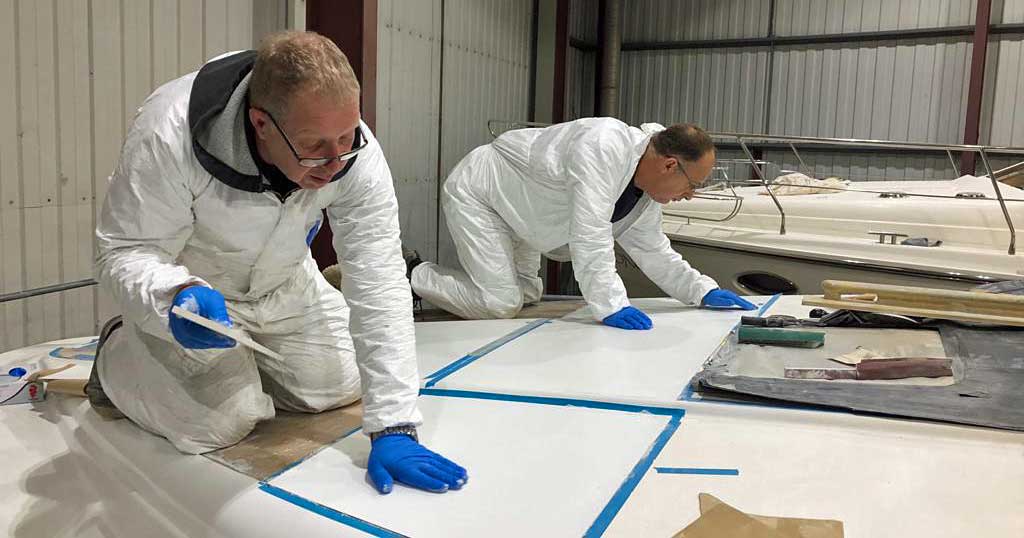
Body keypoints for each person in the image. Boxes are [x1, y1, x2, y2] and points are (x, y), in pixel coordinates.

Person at [87, 31, 467, 495]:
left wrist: (394, 424)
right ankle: (116, 354)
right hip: (195, 296)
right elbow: (125, 248)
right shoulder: (170, 133)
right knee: (221, 422)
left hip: (284, 284)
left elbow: (380, 278)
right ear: (261, 124)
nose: (335, 162)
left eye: (346, 136)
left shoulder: (353, 153)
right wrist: (171, 299)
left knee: (340, 382)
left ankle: (239, 366)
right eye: (315, 145)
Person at [408, 118, 756, 329]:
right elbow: (590, 234)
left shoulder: (645, 193)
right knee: (500, 304)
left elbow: (654, 252)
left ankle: (429, 279)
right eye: (692, 185)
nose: (690, 195)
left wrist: (701, 290)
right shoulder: (604, 145)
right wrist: (611, 305)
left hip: (524, 215)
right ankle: (411, 273)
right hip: (482, 192)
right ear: (668, 165)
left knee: (528, 295)